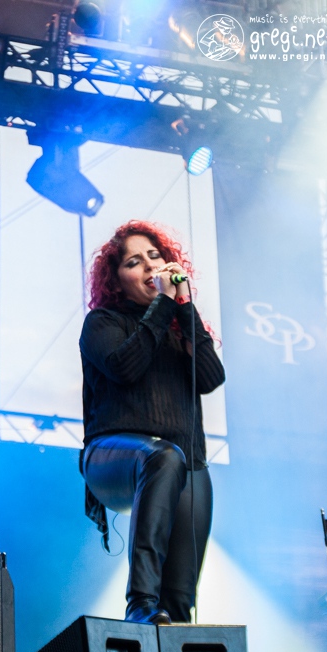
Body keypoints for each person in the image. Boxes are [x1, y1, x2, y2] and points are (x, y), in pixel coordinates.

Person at [79, 221, 225, 624]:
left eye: (155, 257)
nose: (149, 266)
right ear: (116, 280)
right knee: (163, 456)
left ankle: (170, 623)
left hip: (182, 461)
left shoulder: (178, 331)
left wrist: (184, 306)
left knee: (178, 608)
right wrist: (162, 305)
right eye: (133, 262)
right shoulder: (103, 323)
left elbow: (212, 377)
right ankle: (140, 602)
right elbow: (125, 367)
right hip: (112, 458)